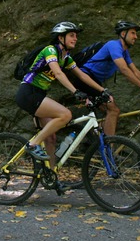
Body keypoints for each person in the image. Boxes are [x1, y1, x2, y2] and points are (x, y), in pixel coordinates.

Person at [15, 21, 110, 164]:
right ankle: (33, 144)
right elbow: (58, 74)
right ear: (60, 38)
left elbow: (82, 76)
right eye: (71, 35)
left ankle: (51, 176)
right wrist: (76, 92)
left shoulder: (65, 58)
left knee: (51, 138)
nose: (75, 39)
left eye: (76, 36)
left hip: (39, 94)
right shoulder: (50, 50)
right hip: (28, 92)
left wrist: (103, 91)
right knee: (65, 114)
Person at [71, 20, 140, 136]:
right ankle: (109, 150)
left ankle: (98, 141)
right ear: (123, 34)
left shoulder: (124, 52)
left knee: (109, 112)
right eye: (133, 33)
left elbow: (135, 71)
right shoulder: (113, 45)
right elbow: (124, 70)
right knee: (114, 111)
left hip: (94, 81)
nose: (136, 37)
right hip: (85, 79)